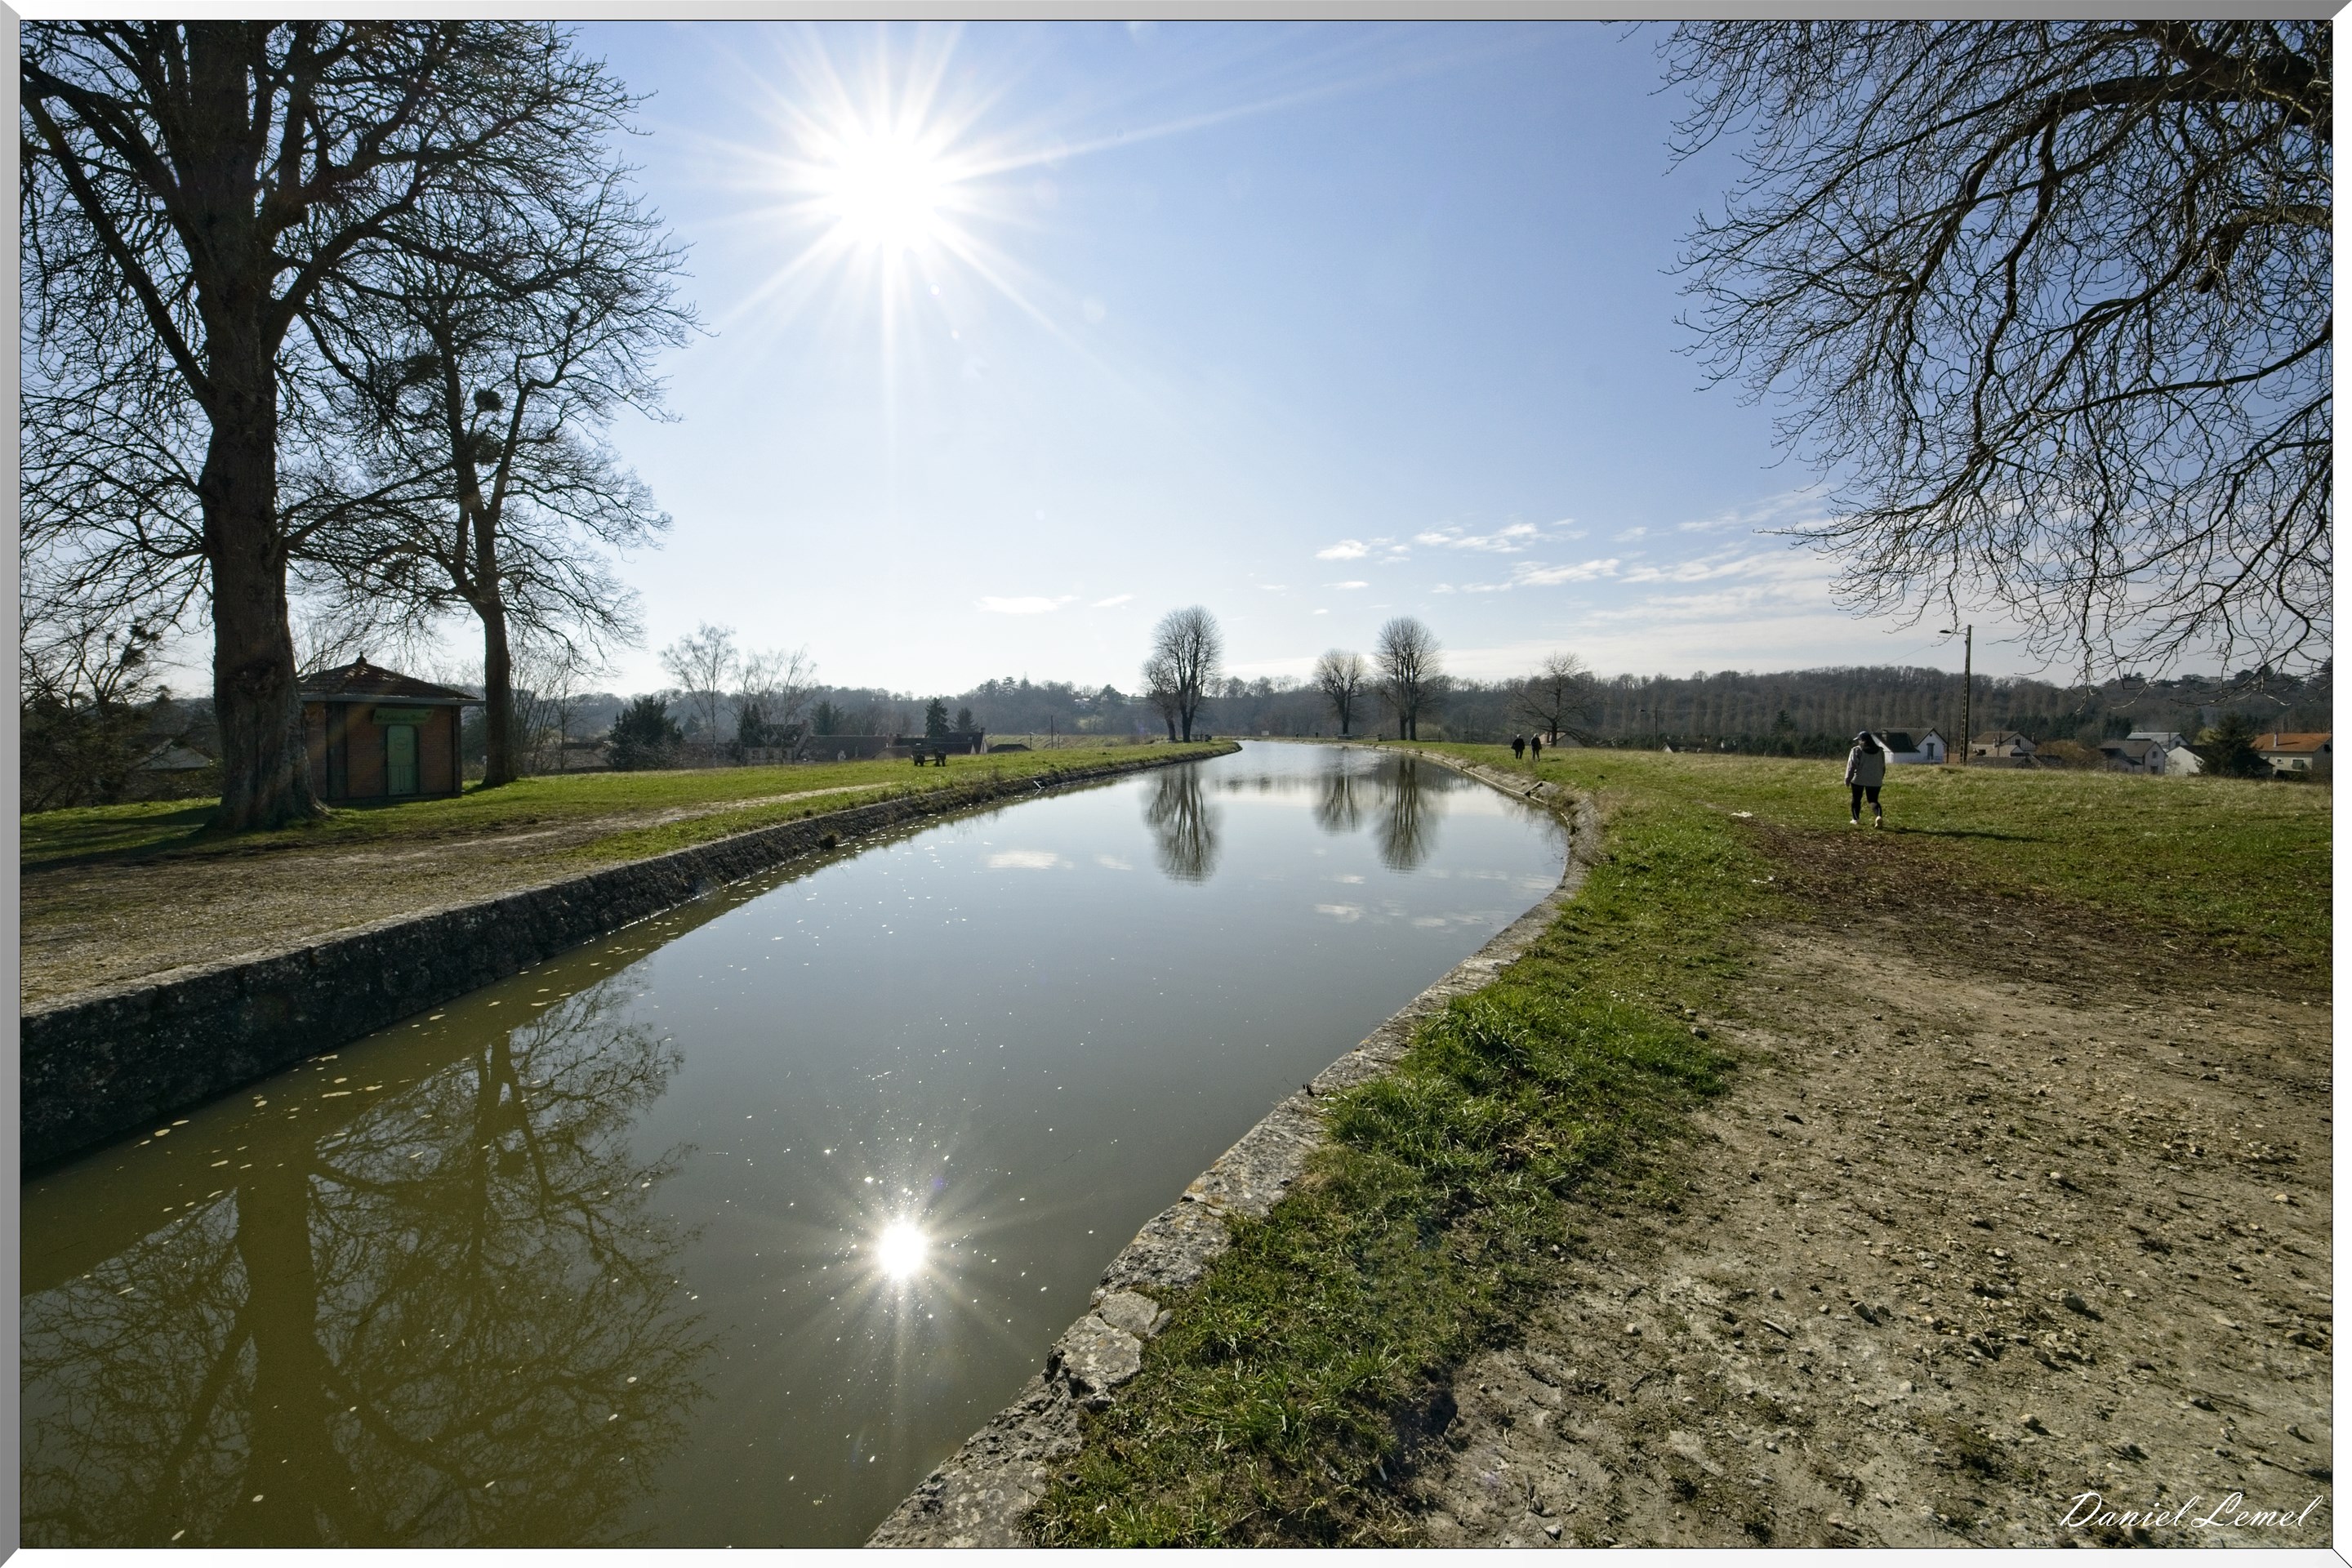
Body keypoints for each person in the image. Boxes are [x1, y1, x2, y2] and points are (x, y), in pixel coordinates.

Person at [1844, 730, 1887, 827]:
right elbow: (1883, 767)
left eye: (1859, 740)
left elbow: (1852, 766)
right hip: (1875, 779)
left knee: (1856, 799)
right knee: (1873, 800)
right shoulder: (1880, 751)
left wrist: (1847, 779)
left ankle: (1855, 819)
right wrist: (1880, 777)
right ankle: (1878, 816)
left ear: (1862, 740)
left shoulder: (1857, 750)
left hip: (1859, 778)